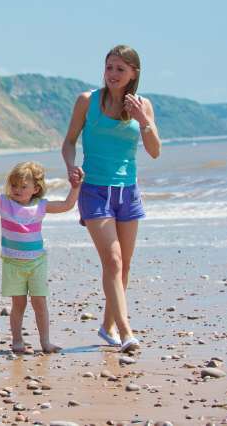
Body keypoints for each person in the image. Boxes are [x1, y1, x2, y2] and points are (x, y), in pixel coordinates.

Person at [62, 45, 161, 353]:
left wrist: (142, 119)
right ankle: (126, 331)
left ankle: (107, 327)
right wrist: (70, 166)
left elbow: (155, 151)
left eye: (120, 69)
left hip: (128, 191)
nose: (113, 74)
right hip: (94, 191)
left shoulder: (143, 105)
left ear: (134, 73)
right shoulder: (87, 101)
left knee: (124, 266)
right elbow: (68, 143)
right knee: (113, 260)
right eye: (109, 67)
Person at [0, 160, 82, 353]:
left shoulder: (41, 206)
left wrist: (75, 187)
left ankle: (45, 342)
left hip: (37, 263)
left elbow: (67, 205)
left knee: (39, 304)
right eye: (14, 185)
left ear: (36, 188)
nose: (17, 189)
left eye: (23, 186)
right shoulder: (4, 203)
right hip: (12, 264)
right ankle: (17, 341)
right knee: (18, 304)